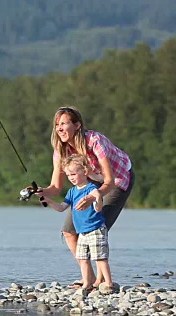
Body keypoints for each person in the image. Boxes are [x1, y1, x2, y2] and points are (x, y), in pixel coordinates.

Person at [36, 106, 134, 288]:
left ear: (77, 125)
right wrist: (40, 192)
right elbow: (55, 188)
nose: (59, 128)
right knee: (69, 231)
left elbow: (109, 181)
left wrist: (92, 198)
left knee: (95, 228)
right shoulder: (60, 150)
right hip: (91, 180)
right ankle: (87, 278)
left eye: (64, 123)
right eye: (57, 124)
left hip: (117, 180)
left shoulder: (94, 141)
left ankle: (103, 280)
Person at [41, 154, 112, 291]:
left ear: (85, 172)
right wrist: (48, 200)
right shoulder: (72, 192)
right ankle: (87, 283)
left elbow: (98, 206)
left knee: (100, 257)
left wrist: (97, 198)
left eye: (73, 174)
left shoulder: (91, 188)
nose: (71, 177)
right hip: (82, 231)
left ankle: (108, 283)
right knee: (83, 258)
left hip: (95, 228)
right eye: (68, 175)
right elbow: (61, 208)